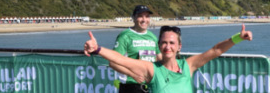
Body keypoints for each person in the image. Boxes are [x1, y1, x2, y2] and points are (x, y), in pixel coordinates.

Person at [84, 24, 253, 92]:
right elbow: (121, 60)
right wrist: (97, 49)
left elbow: (215, 51)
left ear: (179, 46)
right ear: (159, 45)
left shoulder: (188, 66)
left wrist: (238, 37)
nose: (167, 46)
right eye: (164, 43)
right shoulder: (152, 69)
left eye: (172, 43)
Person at [113, 5, 162, 92]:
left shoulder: (152, 37)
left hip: (150, 85)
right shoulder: (125, 36)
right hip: (130, 86)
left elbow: (159, 58)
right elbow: (113, 63)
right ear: (133, 18)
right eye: (140, 16)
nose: (144, 20)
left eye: (147, 16)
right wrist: (133, 75)